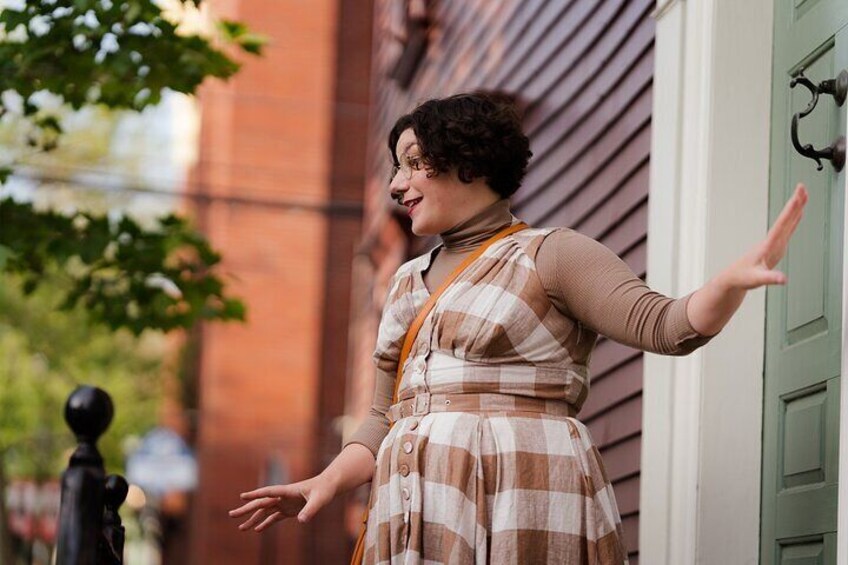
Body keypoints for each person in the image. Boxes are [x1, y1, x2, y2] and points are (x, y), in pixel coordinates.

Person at [229, 92, 808, 564]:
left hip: (523, 494)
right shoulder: (405, 281)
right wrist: (326, 482)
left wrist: (727, 285)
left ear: (470, 161)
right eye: (396, 168)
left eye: (413, 162)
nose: (397, 185)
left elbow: (665, 326)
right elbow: (385, 416)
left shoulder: (551, 255)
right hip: (416, 505)